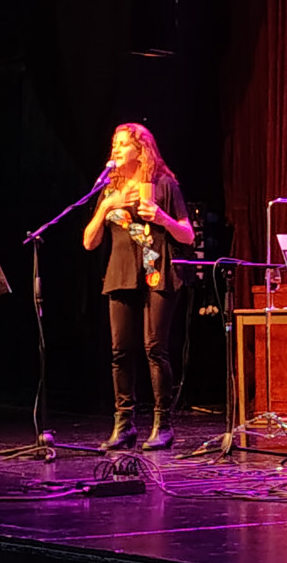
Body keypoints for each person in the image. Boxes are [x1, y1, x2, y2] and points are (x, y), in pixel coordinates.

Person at [83, 123, 194, 451]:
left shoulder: (163, 184)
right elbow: (89, 242)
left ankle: (162, 425)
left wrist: (162, 218)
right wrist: (106, 205)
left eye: (122, 144)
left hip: (155, 269)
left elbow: (188, 234)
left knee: (154, 348)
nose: (115, 150)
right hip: (121, 272)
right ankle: (124, 424)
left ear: (140, 149)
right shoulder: (109, 188)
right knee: (120, 351)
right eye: (113, 144)